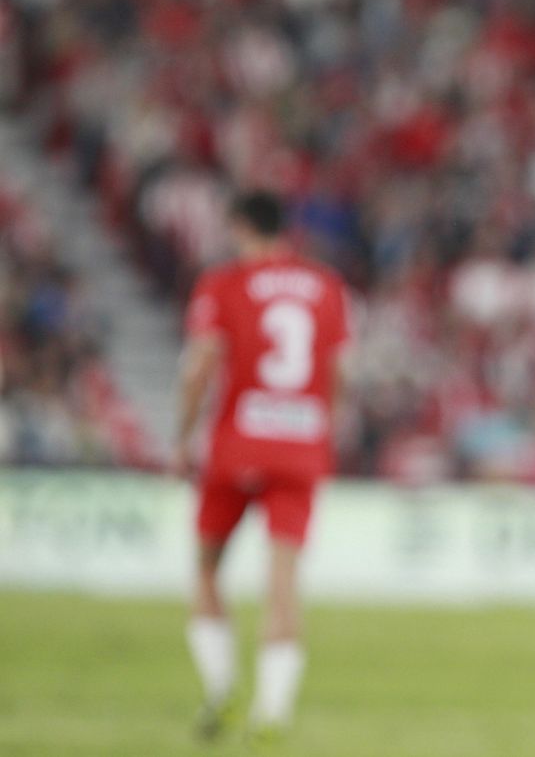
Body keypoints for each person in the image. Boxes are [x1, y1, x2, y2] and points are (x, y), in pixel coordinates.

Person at [174, 190, 351, 743]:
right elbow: (339, 368)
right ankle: (272, 713)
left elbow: (202, 363)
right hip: (301, 443)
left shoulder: (224, 283)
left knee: (207, 567)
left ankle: (221, 689)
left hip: (237, 443)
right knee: (283, 584)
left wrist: (183, 436)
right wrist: (325, 423)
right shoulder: (326, 286)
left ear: (240, 227)